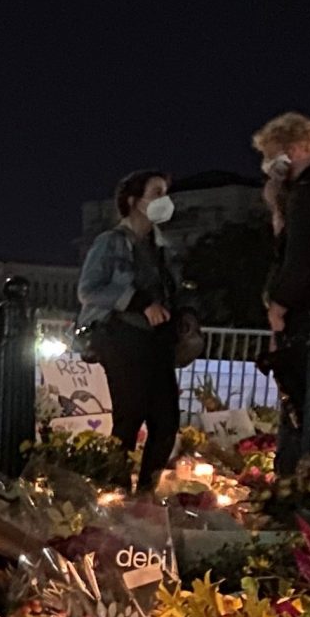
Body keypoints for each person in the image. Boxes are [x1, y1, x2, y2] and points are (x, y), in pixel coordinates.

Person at [254, 112, 310, 475]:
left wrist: (279, 303)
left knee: (297, 408)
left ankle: (293, 484)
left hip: (305, 318)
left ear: (293, 149)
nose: (268, 165)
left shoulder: (305, 194)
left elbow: (299, 257)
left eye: (272, 153)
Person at [79, 170, 182, 494]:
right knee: (130, 416)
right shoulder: (111, 242)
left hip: (156, 342)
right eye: (156, 192)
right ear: (134, 201)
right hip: (121, 338)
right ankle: (118, 491)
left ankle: (146, 493)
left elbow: (171, 290)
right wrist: (138, 302)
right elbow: (89, 290)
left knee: (166, 421)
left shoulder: (161, 247)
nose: (163, 200)